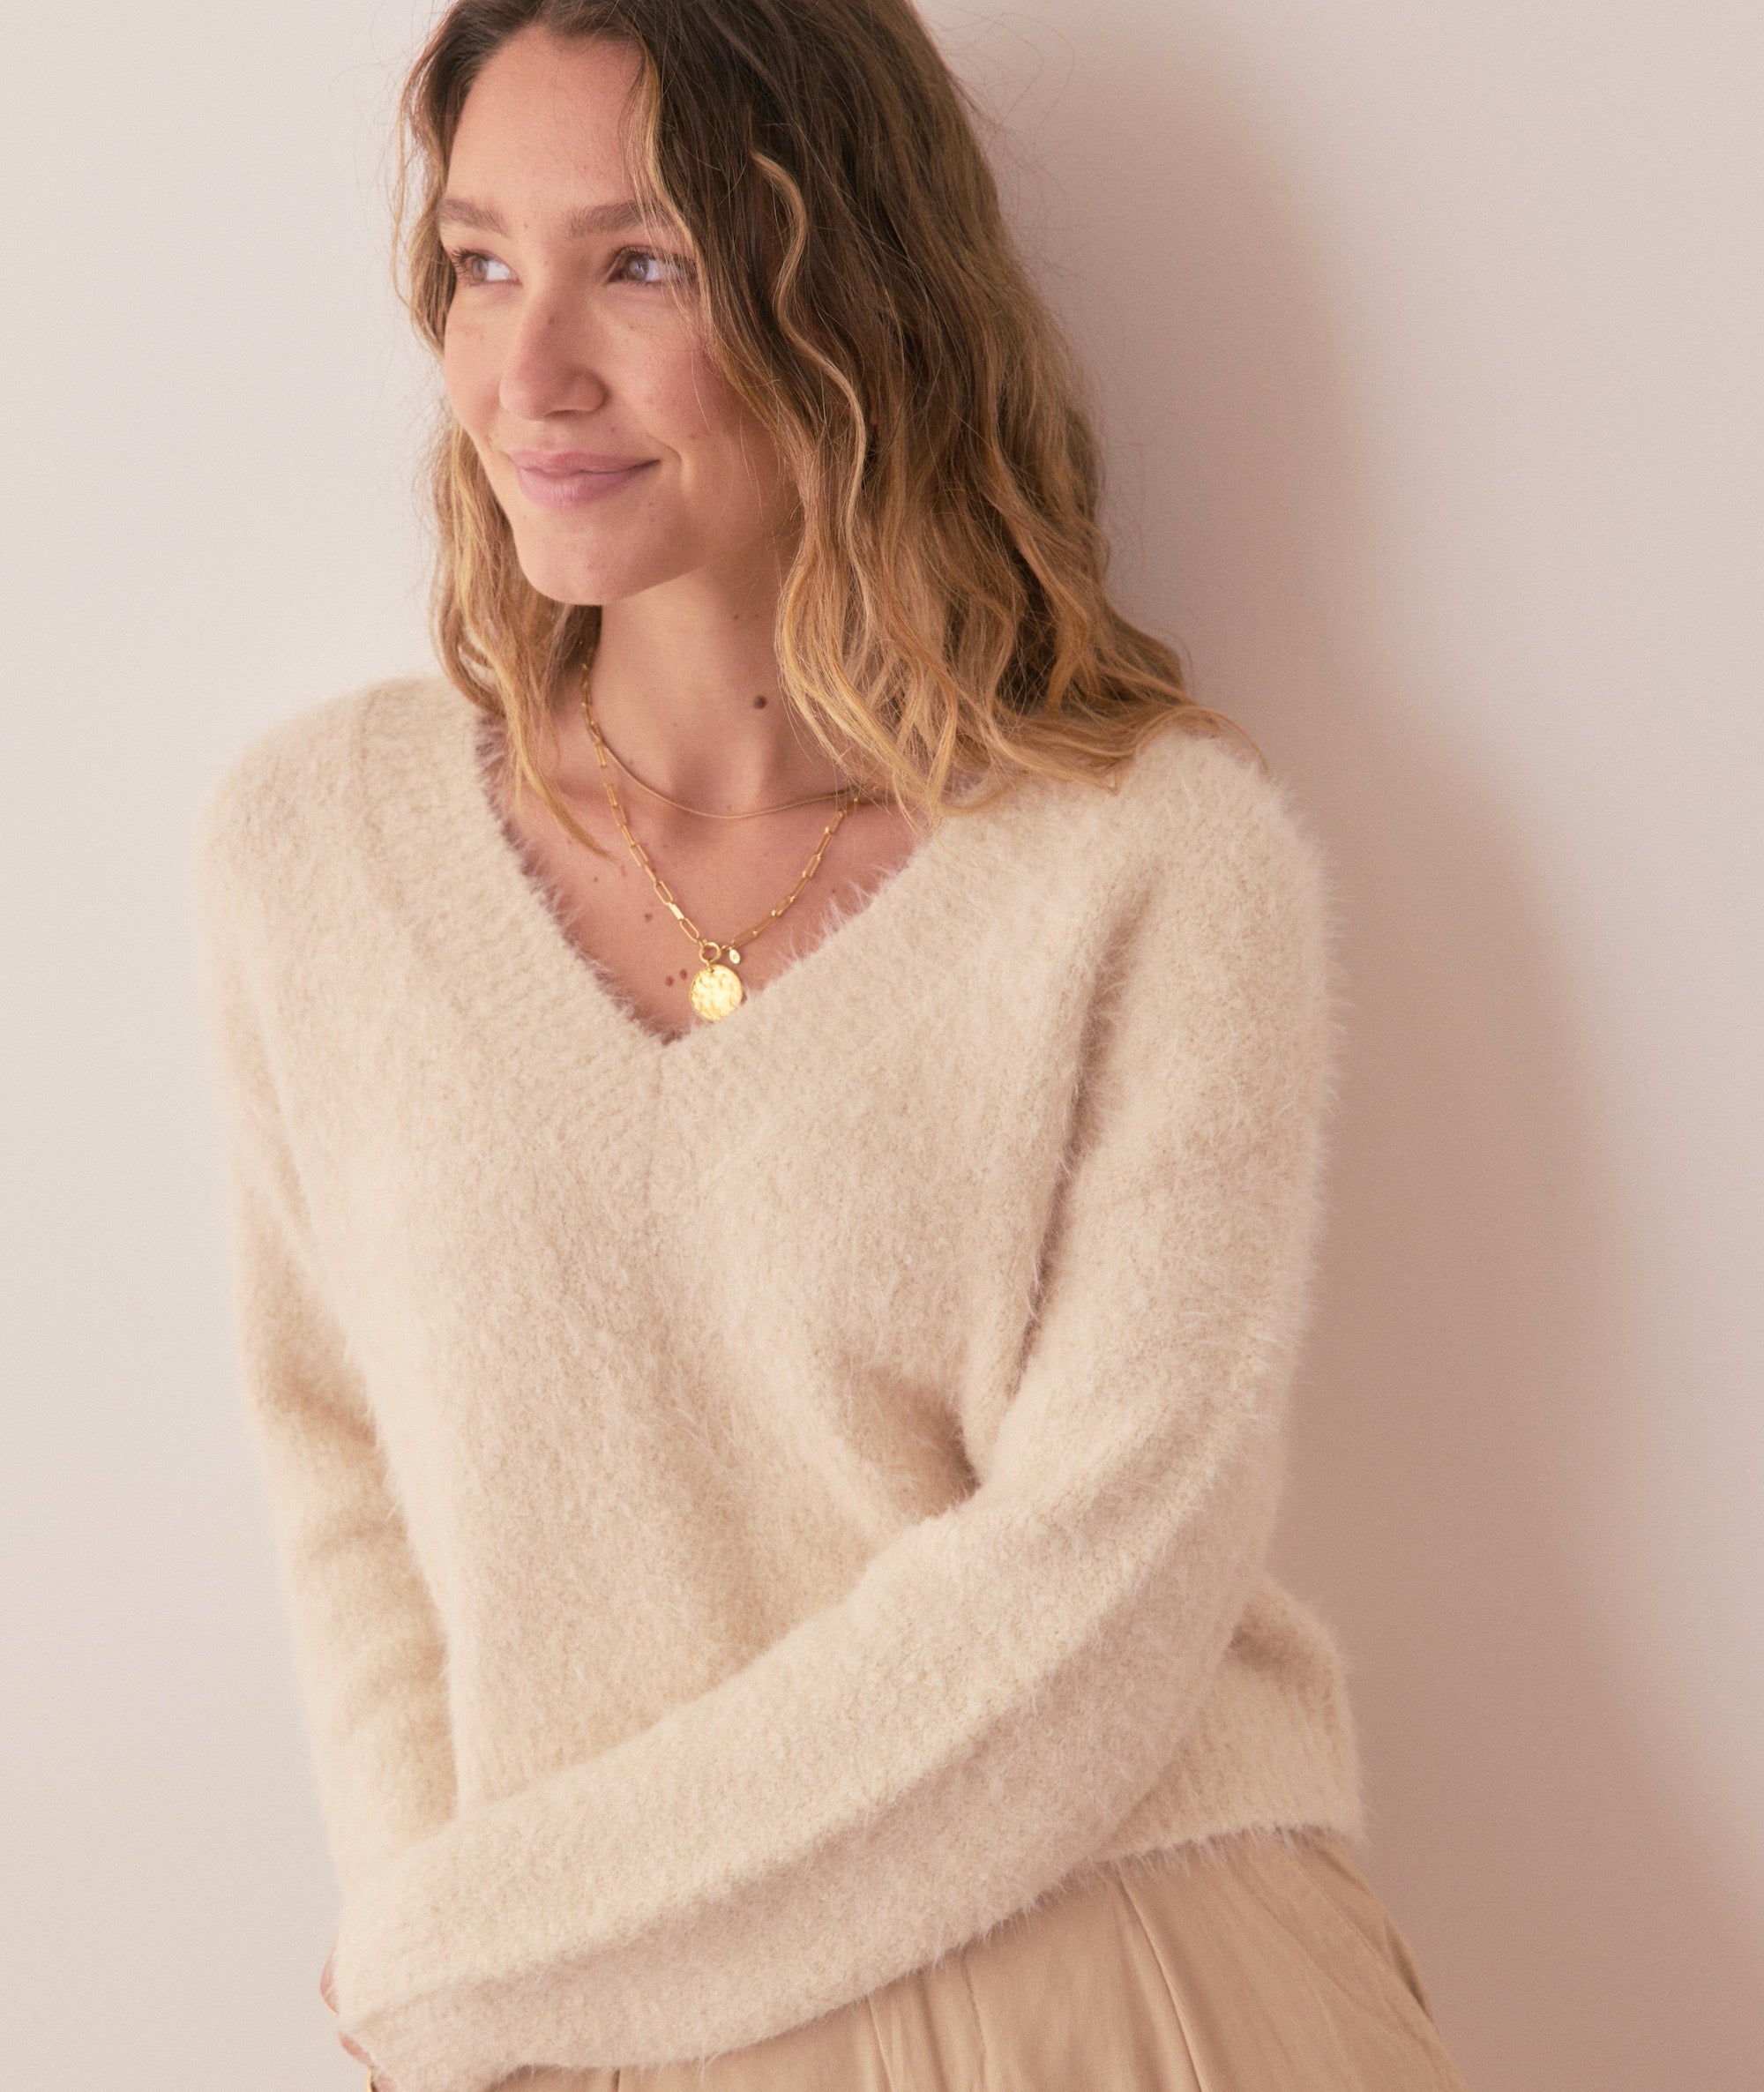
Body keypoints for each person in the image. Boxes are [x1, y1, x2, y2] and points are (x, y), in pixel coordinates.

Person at [191, 3, 1471, 2088]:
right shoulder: (313, 849)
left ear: (844, 294)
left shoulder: (1151, 862)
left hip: (1111, 1973)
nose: (528, 372)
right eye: (483, 263)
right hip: (577, 2016)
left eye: (641, 263)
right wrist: (460, 1962)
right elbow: (338, 1451)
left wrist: (468, 1948)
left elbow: (1104, 1585)